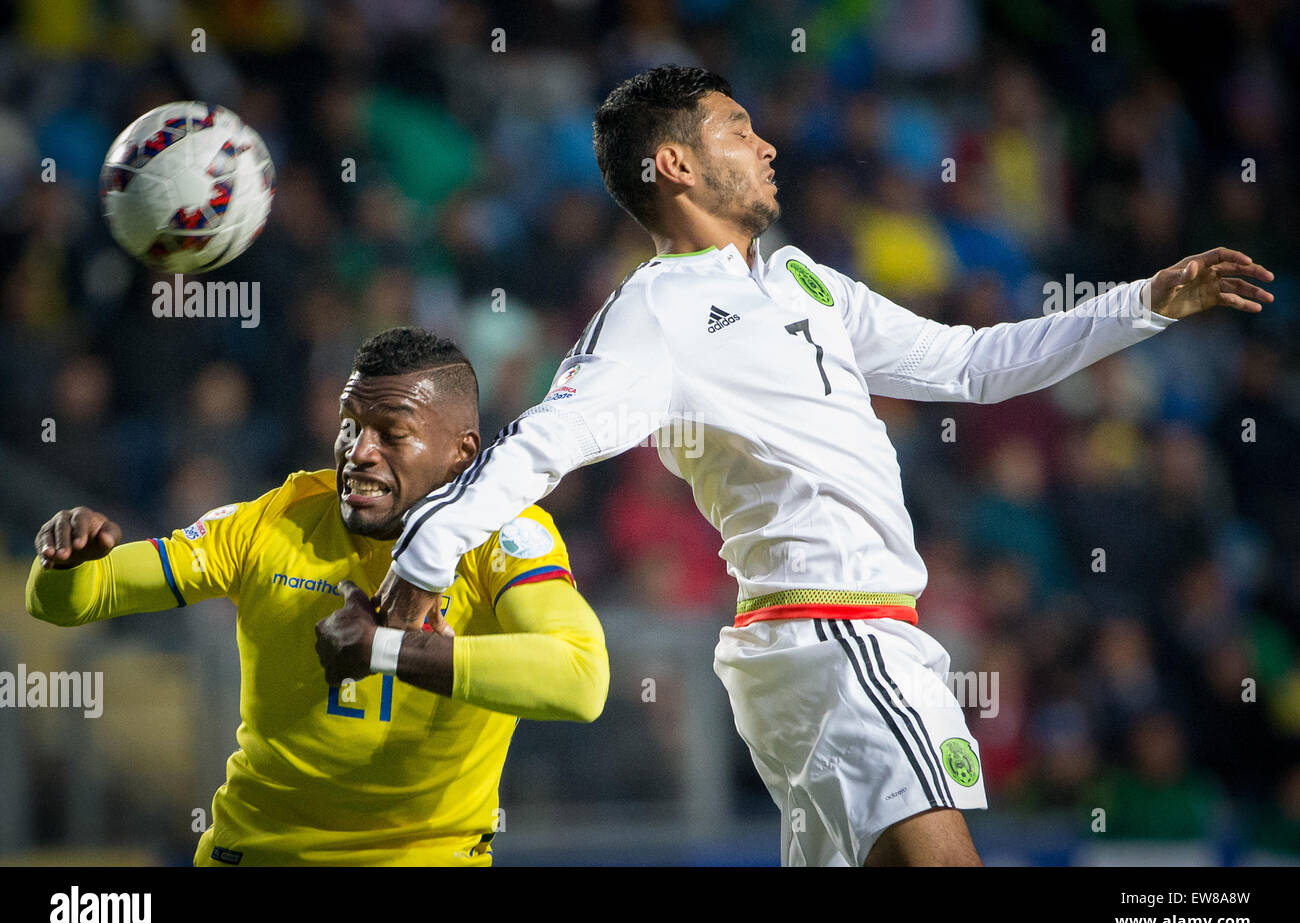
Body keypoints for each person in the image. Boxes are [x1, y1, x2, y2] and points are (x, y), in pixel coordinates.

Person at [353, 67, 1274, 866]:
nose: (769, 146)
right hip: (839, 634)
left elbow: (972, 364)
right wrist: (427, 557)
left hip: (831, 643)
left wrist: (1141, 304)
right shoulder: (655, 314)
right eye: (739, 129)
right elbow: (545, 440)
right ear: (674, 164)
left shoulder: (801, 281)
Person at [26, 327, 607, 866]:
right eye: (350, 424)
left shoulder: (503, 537)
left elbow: (580, 680)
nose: (358, 451)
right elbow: (70, 601)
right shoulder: (275, 521)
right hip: (258, 854)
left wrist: (387, 651)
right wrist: (66, 561)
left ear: (462, 451)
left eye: (391, 433)